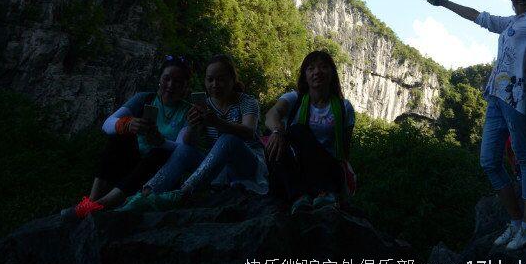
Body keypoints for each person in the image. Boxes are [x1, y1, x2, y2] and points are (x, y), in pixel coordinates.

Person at [424, 0, 526, 251]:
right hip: (496, 97)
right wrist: (441, 1)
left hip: (518, 98)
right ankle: (515, 221)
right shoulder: (509, 23)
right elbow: (477, 16)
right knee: (489, 161)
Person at [119, 54, 268, 210]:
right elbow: (190, 143)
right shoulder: (204, 105)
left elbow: (248, 131)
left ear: (232, 79)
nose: (215, 84)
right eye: (210, 80)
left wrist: (216, 122)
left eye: (221, 79)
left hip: (246, 165)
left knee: (228, 139)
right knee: (184, 150)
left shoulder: (247, 101)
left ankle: (182, 194)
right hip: (218, 168)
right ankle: (145, 195)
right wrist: (192, 126)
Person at [61, 56, 192, 218]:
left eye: (178, 81)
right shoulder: (144, 99)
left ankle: (101, 205)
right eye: (167, 78)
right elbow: (107, 124)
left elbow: (183, 149)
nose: (171, 85)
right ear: (160, 79)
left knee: (159, 152)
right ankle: (91, 200)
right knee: (118, 137)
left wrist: (161, 142)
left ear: (185, 86)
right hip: (132, 164)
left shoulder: (188, 112)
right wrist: (127, 124)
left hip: (160, 172)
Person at [264, 51, 356, 214]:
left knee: (297, 130)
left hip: (329, 171)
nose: (317, 72)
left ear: (332, 73)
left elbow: (344, 151)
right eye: (311, 68)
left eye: (323, 67)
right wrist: (277, 132)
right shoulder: (295, 98)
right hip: (299, 169)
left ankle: (322, 193)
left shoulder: (344, 108)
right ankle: (299, 197)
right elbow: (272, 114)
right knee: (290, 134)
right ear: (305, 76)